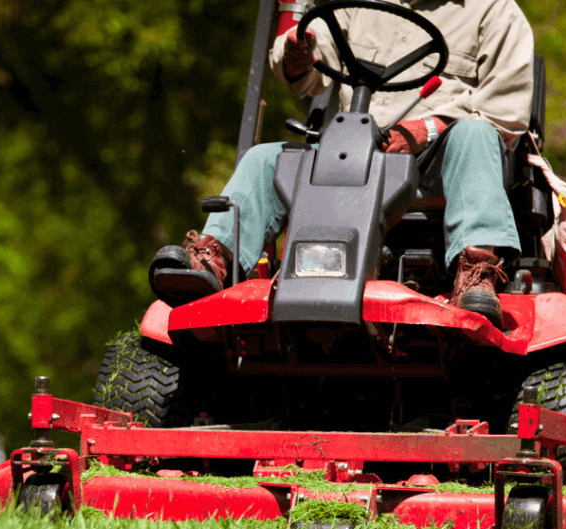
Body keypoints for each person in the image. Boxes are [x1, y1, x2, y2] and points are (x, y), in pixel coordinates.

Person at [150, 0, 534, 325]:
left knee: (476, 134)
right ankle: (213, 259)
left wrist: (427, 128)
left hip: (441, 157)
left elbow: (506, 115)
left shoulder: (495, 11)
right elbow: (310, 70)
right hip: (355, 149)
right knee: (267, 158)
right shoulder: (358, 5)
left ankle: (478, 272)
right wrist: (299, 55)